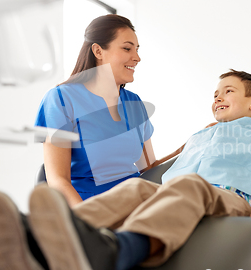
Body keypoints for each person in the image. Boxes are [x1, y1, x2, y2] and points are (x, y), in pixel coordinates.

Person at [0, 70, 251, 270]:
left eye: (227, 91)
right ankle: (41, 242)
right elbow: (166, 168)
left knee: (188, 185)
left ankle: (116, 251)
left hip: (233, 198)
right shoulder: (202, 134)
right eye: (215, 93)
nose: (217, 97)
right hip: (188, 193)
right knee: (136, 188)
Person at [34, 14, 162, 206]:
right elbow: (57, 180)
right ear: (98, 51)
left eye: (136, 50)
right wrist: (88, 222)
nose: (137, 58)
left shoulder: (134, 103)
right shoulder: (61, 99)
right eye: (127, 48)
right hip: (91, 208)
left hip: (136, 202)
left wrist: (194, 147)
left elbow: (150, 168)